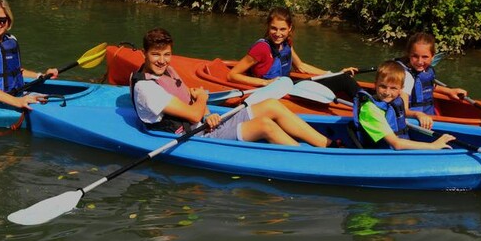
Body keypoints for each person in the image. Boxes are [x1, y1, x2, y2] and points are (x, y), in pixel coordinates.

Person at [131, 27, 334, 147]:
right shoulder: (148, 90)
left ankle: (327, 144)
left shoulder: (168, 70)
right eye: (155, 55)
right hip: (196, 137)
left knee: (271, 104)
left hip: (205, 124)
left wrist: (207, 112)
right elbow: (193, 114)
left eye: (166, 54)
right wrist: (202, 99)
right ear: (144, 54)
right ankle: (306, 156)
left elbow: (193, 99)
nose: (162, 60)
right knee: (264, 125)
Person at [226, 7, 358, 99]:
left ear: (289, 28)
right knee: (343, 81)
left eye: (282, 29)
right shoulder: (261, 48)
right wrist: (265, 83)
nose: (278, 34)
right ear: (268, 27)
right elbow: (232, 75)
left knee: (343, 79)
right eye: (274, 28)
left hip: (289, 87)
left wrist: (334, 74)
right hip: (273, 92)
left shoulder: (286, 44)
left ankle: (369, 103)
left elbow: (301, 67)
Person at [0, 0, 59, 109]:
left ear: (8, 20)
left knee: (54, 99)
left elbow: (14, 72)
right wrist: (17, 102)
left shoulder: (9, 39)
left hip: (12, 96)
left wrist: (40, 76)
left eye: (2, 20)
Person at [352, 61, 454, 150]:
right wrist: (433, 146)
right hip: (384, 156)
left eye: (393, 88)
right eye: (383, 86)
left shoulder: (395, 103)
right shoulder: (371, 110)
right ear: (375, 84)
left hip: (398, 151)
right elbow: (396, 144)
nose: (387, 92)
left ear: (401, 89)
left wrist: (417, 115)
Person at [397, 32, 466, 116]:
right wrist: (417, 115)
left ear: (433, 56)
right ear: (408, 55)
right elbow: (404, 110)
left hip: (429, 115)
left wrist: (450, 91)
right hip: (413, 117)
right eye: (415, 56)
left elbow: (427, 86)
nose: (420, 61)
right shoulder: (405, 76)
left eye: (425, 57)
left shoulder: (426, 70)